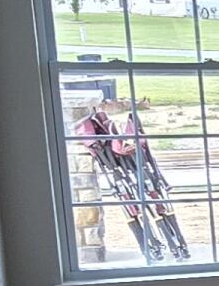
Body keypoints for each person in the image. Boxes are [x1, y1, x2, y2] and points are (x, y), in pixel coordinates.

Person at [73, 98, 192, 262]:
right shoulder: (111, 143)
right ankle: (160, 247)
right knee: (142, 210)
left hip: (136, 176)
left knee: (155, 208)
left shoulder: (117, 141)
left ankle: (171, 246)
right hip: (125, 178)